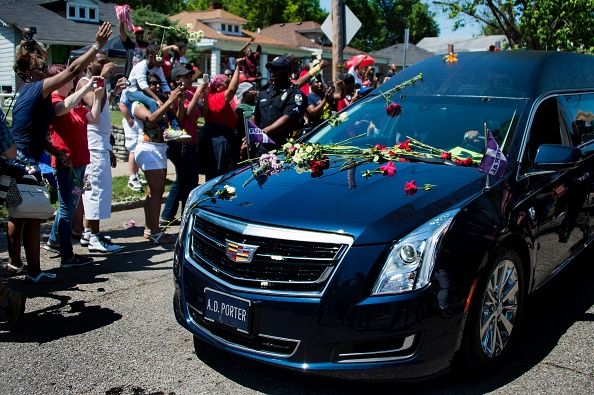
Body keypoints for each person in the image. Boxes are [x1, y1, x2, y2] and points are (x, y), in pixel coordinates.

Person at [9, 22, 112, 283]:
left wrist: (53, 148)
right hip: (23, 162)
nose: (46, 71)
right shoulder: (36, 88)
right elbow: (75, 69)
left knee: (21, 215)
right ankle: (26, 268)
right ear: (31, 71)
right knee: (26, 216)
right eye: (42, 67)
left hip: (23, 158)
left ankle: (20, 266)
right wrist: (96, 46)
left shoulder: (28, 92)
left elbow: (33, 131)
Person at [44, 65, 103, 266]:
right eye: (69, 79)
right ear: (59, 80)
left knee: (71, 203)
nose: (72, 82)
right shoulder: (54, 100)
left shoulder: (75, 104)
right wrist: (85, 89)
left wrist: (97, 96)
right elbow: (63, 109)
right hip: (65, 163)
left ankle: (53, 241)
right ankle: (67, 256)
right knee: (66, 207)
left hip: (80, 164)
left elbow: (94, 118)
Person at [78, 53, 127, 253]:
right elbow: (92, 103)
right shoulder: (84, 82)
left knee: (98, 189)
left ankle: (88, 233)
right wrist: (104, 78)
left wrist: (114, 91)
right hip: (93, 147)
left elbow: (104, 106)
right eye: (101, 61)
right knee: (95, 191)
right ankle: (95, 238)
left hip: (100, 144)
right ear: (89, 63)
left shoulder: (97, 83)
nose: (105, 64)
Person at [132, 73, 183, 243]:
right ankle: (154, 232)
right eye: (151, 83)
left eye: (158, 83)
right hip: (148, 148)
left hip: (160, 148)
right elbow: (151, 119)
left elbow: (175, 122)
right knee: (156, 192)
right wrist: (169, 101)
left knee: (155, 192)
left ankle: (150, 229)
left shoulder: (158, 101)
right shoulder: (137, 103)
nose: (156, 86)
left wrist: (177, 102)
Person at [160, 66, 207, 225]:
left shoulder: (190, 93)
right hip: (180, 144)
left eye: (190, 76)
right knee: (188, 179)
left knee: (184, 179)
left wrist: (203, 95)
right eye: (186, 76)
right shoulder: (174, 95)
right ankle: (183, 215)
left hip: (191, 141)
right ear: (177, 79)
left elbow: (202, 112)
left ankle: (169, 215)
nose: (190, 78)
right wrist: (197, 93)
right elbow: (183, 117)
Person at [199, 58, 245, 180]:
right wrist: (237, 68)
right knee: (220, 174)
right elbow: (232, 89)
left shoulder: (209, 96)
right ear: (218, 86)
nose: (229, 84)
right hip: (219, 139)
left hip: (212, 136)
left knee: (212, 173)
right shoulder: (217, 97)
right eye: (226, 82)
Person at [254, 55, 306, 148]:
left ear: (286, 71)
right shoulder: (264, 92)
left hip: (284, 148)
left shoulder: (295, 94)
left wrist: (263, 132)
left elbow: (287, 119)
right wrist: (251, 135)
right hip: (262, 147)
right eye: (270, 68)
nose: (271, 71)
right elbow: (256, 118)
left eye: (276, 68)